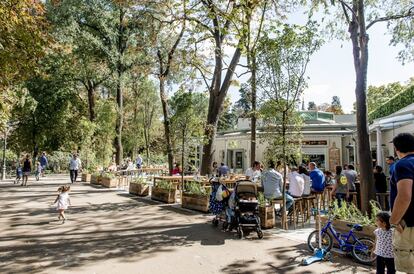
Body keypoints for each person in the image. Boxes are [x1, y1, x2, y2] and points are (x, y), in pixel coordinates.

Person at [389, 133, 414, 274]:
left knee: (408, 268)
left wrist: (393, 220)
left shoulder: (403, 164)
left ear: (397, 149)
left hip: (409, 225)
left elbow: (404, 196)